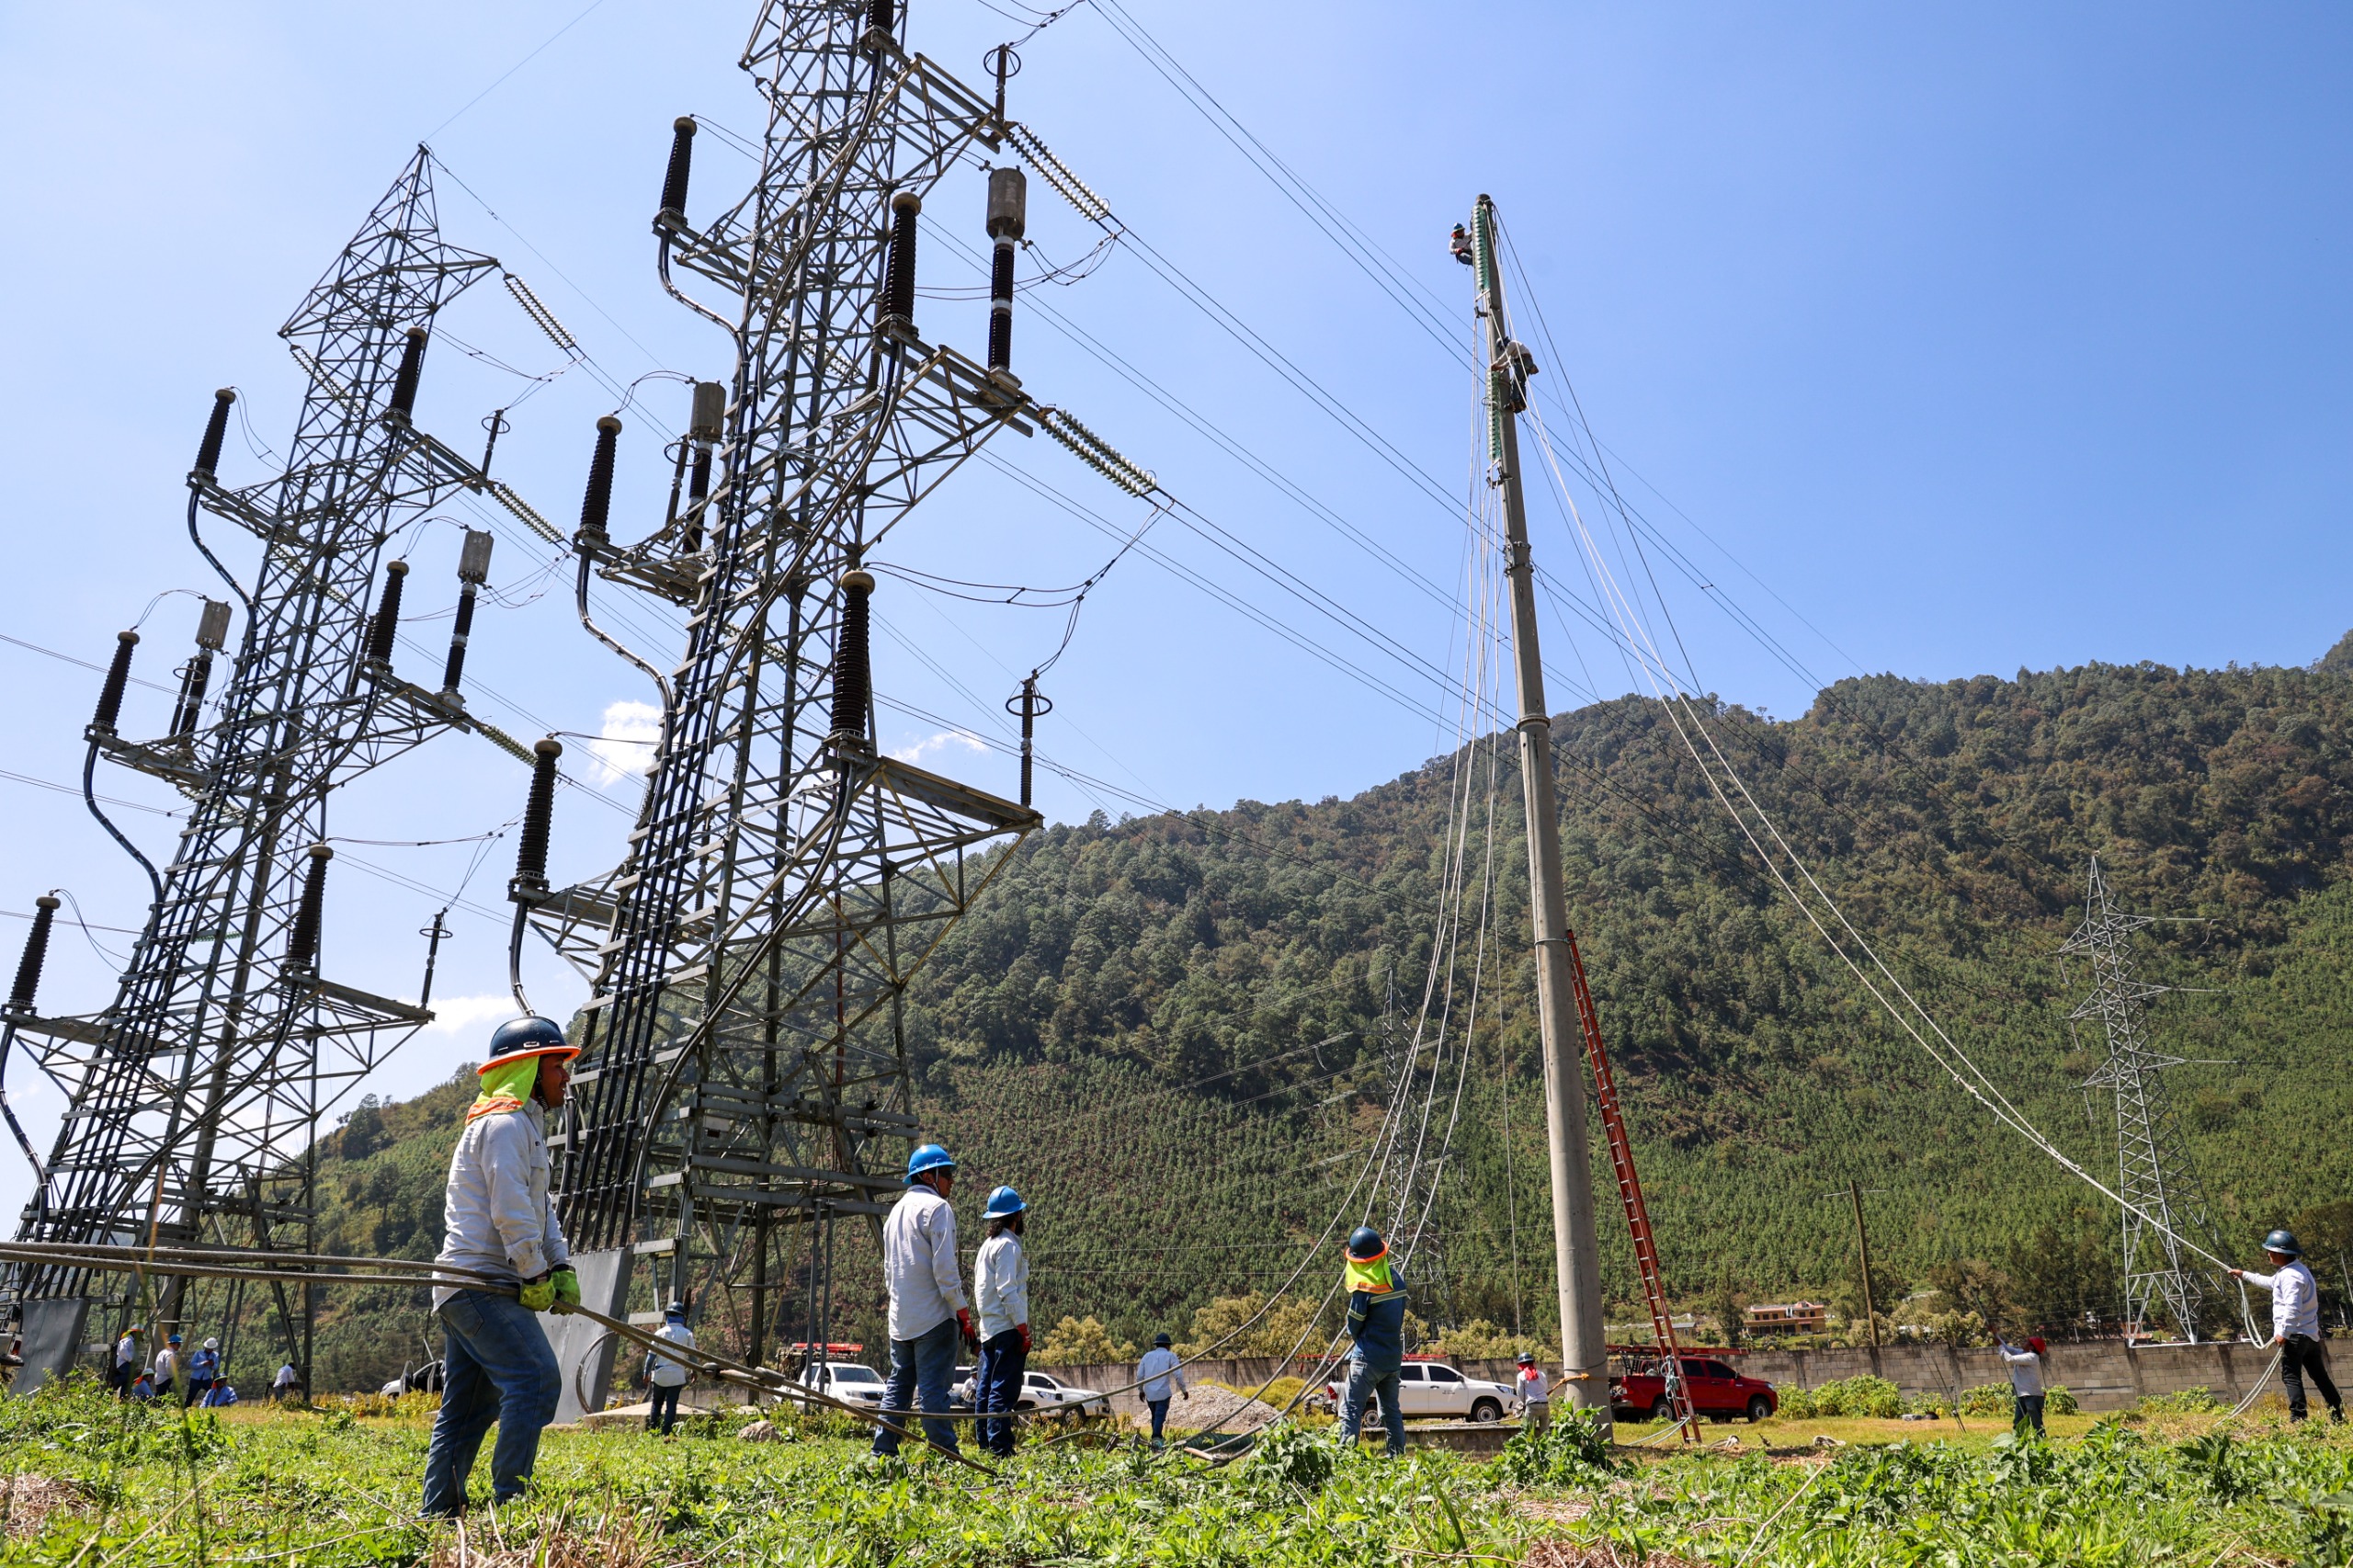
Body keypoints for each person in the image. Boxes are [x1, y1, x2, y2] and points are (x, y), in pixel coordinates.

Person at [419, 1017, 581, 1517]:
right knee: (535, 1381)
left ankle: (440, 1510)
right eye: (558, 1067)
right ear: (529, 1068)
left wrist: (560, 1265)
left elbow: (539, 1210)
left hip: (472, 1287)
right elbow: (509, 1209)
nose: (566, 1079)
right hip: (479, 1284)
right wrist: (532, 1272)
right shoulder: (505, 1126)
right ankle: (512, 1502)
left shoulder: (522, 1127)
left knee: (470, 1407)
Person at [871, 1143, 973, 1459]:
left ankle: (882, 1454)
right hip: (934, 1319)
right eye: (948, 1174)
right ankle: (946, 1455)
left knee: (898, 1389)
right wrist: (963, 1313)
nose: (951, 1182)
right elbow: (945, 1271)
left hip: (902, 1321)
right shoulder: (938, 1209)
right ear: (930, 1176)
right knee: (933, 1394)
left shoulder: (894, 1214)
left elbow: (889, 1272)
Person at [2231, 1228, 2345, 1425]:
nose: (2268, 1254)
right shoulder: (2295, 1271)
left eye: (2271, 1251)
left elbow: (2293, 1308)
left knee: (2291, 1376)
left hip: (2296, 1335)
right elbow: (2270, 1282)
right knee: (2320, 1376)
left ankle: (2298, 1418)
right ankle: (2338, 1414)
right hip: (2309, 1335)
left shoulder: (2290, 1277)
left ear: (2280, 1254)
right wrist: (2244, 1275)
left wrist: (2283, 1332)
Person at [1339, 1226, 1409, 1457]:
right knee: (1391, 1412)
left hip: (1367, 1359)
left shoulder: (1363, 1288)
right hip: (1392, 1358)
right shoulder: (1396, 1278)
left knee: (1350, 1409)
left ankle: (1345, 1461)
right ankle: (1397, 1459)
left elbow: (1354, 1324)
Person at [973, 1186, 1031, 1459]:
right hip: (1007, 1327)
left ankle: (984, 1443)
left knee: (985, 1387)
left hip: (988, 1328)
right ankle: (1001, 1448)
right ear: (1016, 1216)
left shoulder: (986, 1246)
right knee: (1003, 1389)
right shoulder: (1008, 1246)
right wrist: (1022, 1327)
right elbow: (1007, 1290)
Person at [643, 1302, 696, 1437]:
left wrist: (646, 1372)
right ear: (682, 1318)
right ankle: (666, 1432)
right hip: (677, 1375)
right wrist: (694, 1371)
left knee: (656, 1403)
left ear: (667, 1316)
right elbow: (693, 1356)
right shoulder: (687, 1334)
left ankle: (652, 1430)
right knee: (671, 1405)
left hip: (661, 1375)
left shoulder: (659, 1333)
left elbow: (651, 1356)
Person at [1136, 1333, 1188, 1451]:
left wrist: (1141, 1390)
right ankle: (1156, 1440)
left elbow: (1139, 1376)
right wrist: (1184, 1390)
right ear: (1167, 1345)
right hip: (1163, 1393)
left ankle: (1157, 1438)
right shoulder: (1170, 1356)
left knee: (1155, 1417)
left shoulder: (1147, 1356)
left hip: (1149, 1393)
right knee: (1159, 1416)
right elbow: (1178, 1375)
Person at [1995, 1335, 2049, 1439]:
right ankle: (2017, 1441)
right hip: (2023, 1395)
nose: (2023, 1342)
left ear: (2032, 1347)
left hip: (2031, 1395)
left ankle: (2042, 1441)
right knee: (2018, 1421)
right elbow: (2007, 1348)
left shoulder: (2032, 1357)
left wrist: (1999, 1346)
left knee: (2036, 1421)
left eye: (2027, 1342)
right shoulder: (2023, 1353)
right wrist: (1995, 1334)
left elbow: (2009, 1359)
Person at [1514, 1351, 1552, 1434]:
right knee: (1545, 1432)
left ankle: (1530, 1447)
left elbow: (1520, 1392)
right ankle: (1548, 1446)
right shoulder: (1542, 1374)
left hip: (1532, 1405)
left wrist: (1524, 1404)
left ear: (1521, 1365)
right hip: (1545, 1404)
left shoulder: (1521, 1375)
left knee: (1529, 1433)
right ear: (1532, 1362)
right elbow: (1545, 1388)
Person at [186, 1336, 221, 1407]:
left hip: (206, 1379)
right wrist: (203, 1364)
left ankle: (209, 1406)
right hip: (196, 1379)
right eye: (209, 1348)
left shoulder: (215, 1355)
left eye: (211, 1349)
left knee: (213, 1391)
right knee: (191, 1395)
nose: (210, 1350)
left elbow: (216, 1367)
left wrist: (212, 1364)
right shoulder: (198, 1353)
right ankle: (186, 1408)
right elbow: (192, 1364)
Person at [153, 1333, 185, 1403]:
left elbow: (156, 1363)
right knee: (161, 1398)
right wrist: (172, 1375)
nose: (179, 1346)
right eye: (178, 1344)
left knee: (160, 1395)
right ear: (173, 1344)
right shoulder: (170, 1354)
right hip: (165, 1378)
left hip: (158, 1377)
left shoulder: (163, 1352)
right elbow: (169, 1366)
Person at [111, 1327, 142, 1400]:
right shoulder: (127, 1340)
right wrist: (131, 1360)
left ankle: (123, 1397)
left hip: (127, 1363)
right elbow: (122, 1350)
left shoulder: (131, 1342)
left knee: (128, 1381)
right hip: (123, 1363)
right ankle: (117, 1380)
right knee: (131, 1375)